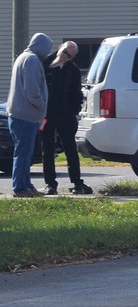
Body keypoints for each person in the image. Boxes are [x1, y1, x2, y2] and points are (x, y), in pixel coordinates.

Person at [6, 33, 53, 197]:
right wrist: (43, 105)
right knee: (23, 153)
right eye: (47, 48)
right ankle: (20, 188)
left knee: (24, 153)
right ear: (41, 46)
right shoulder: (32, 60)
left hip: (19, 114)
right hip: (26, 115)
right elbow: (32, 91)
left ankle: (26, 184)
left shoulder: (23, 57)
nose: (47, 52)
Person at [42, 41, 92, 195]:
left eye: (69, 56)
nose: (65, 56)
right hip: (47, 115)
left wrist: (73, 112)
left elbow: (77, 94)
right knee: (47, 150)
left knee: (71, 150)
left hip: (65, 116)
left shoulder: (73, 70)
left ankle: (77, 183)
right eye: (64, 52)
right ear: (60, 48)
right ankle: (50, 184)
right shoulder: (45, 64)